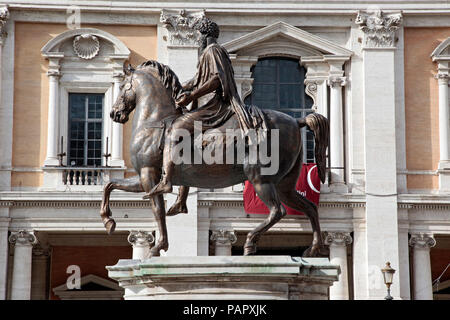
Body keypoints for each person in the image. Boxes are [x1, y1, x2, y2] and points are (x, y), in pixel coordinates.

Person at [145, 17, 265, 198]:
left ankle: (166, 182)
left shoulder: (213, 51)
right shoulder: (211, 53)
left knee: (176, 129)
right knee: (187, 138)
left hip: (217, 106)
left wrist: (192, 96)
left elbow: (216, 80)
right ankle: (181, 199)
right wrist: (178, 88)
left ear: (207, 35)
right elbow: (197, 80)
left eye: (200, 35)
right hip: (213, 104)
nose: (198, 39)